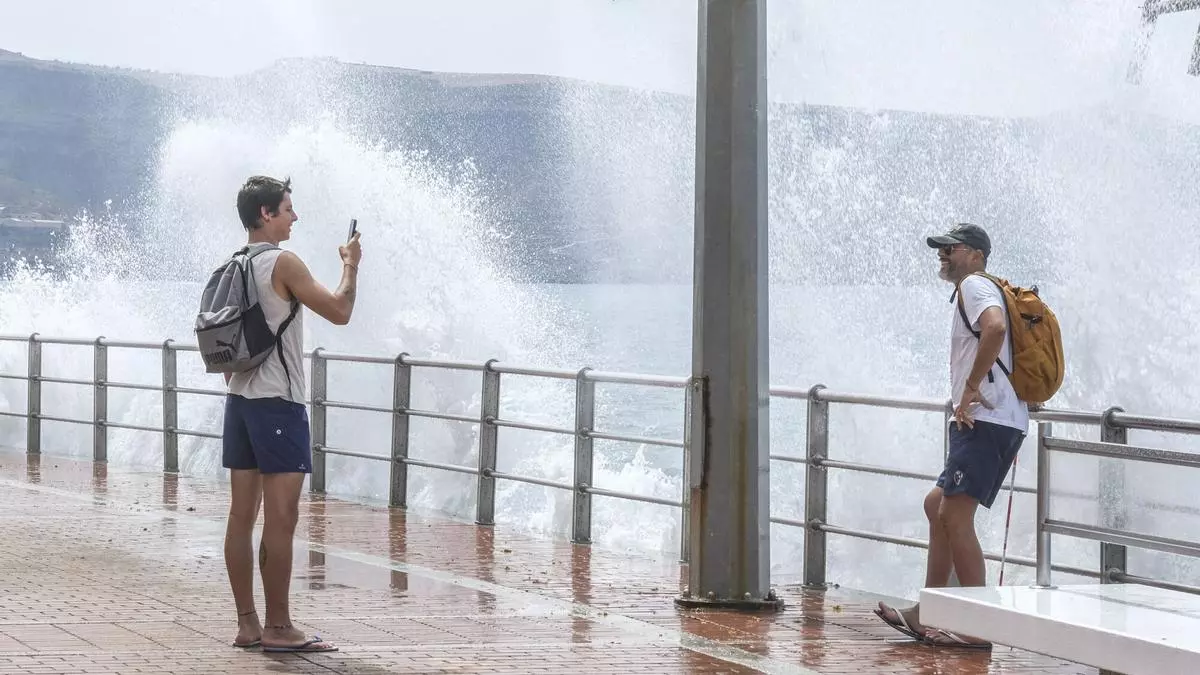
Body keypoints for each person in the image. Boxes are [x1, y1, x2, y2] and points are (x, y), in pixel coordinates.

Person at [221, 175, 361, 653]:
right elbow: (339, 310)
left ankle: (248, 624)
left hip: (239, 401)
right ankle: (280, 629)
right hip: (277, 402)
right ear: (265, 214)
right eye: (287, 208)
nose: (294, 217)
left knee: (241, 517)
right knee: (282, 518)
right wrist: (351, 266)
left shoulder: (234, 264)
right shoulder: (283, 262)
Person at [874, 222, 1028, 650]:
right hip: (992, 419)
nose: (943, 254)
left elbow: (994, 329)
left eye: (952, 248)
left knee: (954, 517)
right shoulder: (981, 286)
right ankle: (929, 613)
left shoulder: (975, 286)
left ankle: (977, 627)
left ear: (976, 254)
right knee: (936, 506)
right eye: (942, 249)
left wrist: (971, 389)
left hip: (985, 420)